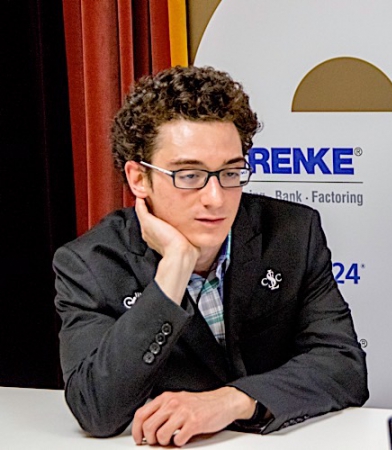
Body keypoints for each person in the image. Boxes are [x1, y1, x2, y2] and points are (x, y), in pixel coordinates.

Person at [53, 65, 368, 446]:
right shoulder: (92, 263)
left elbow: (343, 364)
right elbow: (95, 410)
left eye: (231, 173)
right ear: (138, 178)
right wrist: (173, 273)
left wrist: (233, 401)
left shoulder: (293, 232)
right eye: (189, 175)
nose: (216, 198)